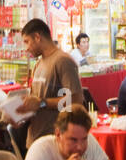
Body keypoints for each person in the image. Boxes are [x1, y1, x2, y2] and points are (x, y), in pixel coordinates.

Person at [14, 19, 83, 147]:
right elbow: (35, 101)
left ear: (37, 37)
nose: (26, 48)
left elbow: (76, 100)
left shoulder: (63, 61)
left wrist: (42, 102)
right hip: (35, 141)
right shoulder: (39, 64)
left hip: (56, 141)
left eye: (27, 42)